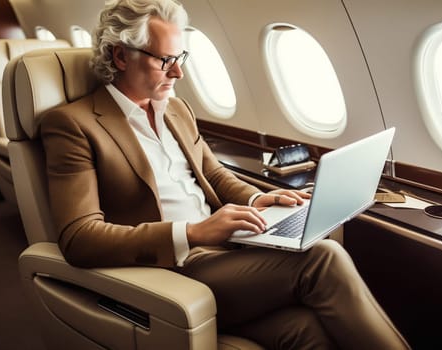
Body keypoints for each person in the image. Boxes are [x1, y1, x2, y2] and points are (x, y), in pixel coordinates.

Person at [40, 0, 411, 348]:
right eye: (166, 59)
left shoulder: (175, 109)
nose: (179, 71)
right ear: (120, 56)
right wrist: (194, 232)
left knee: (306, 331)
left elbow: (212, 174)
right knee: (322, 259)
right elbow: (79, 238)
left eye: (180, 56)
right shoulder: (74, 124)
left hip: (228, 254)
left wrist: (256, 198)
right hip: (173, 271)